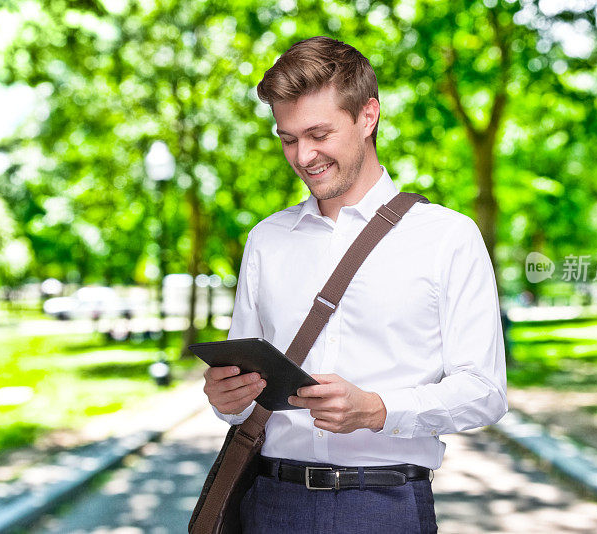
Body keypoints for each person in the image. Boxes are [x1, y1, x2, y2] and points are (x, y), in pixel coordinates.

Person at [202, 35, 508, 533]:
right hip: (269, 503)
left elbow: (485, 391)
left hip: (384, 506)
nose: (304, 156)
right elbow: (240, 398)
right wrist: (227, 398)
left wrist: (379, 409)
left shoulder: (447, 237)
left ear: (368, 116)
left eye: (319, 134)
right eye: (288, 138)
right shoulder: (266, 240)